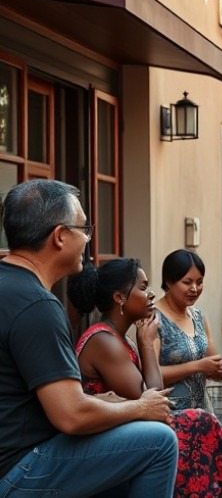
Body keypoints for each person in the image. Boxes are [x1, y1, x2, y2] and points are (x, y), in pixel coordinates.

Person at [0, 179, 178, 497]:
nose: (87, 239)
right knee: (159, 441)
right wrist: (139, 407)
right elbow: (70, 415)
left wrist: (95, 401)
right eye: (84, 229)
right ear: (59, 237)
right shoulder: (37, 305)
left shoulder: (10, 286)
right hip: (19, 470)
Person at [67, 258, 222, 498]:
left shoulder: (119, 338)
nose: (151, 294)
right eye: (143, 288)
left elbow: (151, 399)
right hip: (103, 440)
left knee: (203, 440)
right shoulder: (104, 341)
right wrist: (146, 344)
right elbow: (154, 401)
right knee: (199, 422)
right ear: (119, 298)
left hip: (127, 430)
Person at [155, 249, 222, 410]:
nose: (195, 288)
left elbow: (211, 365)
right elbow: (150, 376)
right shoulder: (153, 319)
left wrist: (220, 369)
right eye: (187, 282)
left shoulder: (198, 316)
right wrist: (198, 366)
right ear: (169, 282)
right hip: (170, 415)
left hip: (202, 412)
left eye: (199, 282)